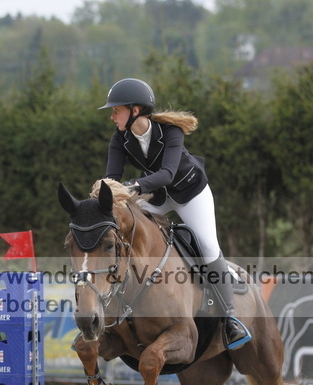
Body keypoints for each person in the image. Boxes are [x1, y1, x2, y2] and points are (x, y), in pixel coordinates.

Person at [98, 77, 251, 350]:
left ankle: (230, 319)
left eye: (116, 110)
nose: (112, 116)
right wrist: (103, 194)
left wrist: (133, 186)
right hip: (157, 197)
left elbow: (167, 174)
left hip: (191, 193)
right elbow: (112, 179)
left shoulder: (170, 131)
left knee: (207, 246)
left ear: (135, 110)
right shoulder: (119, 139)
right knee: (127, 229)